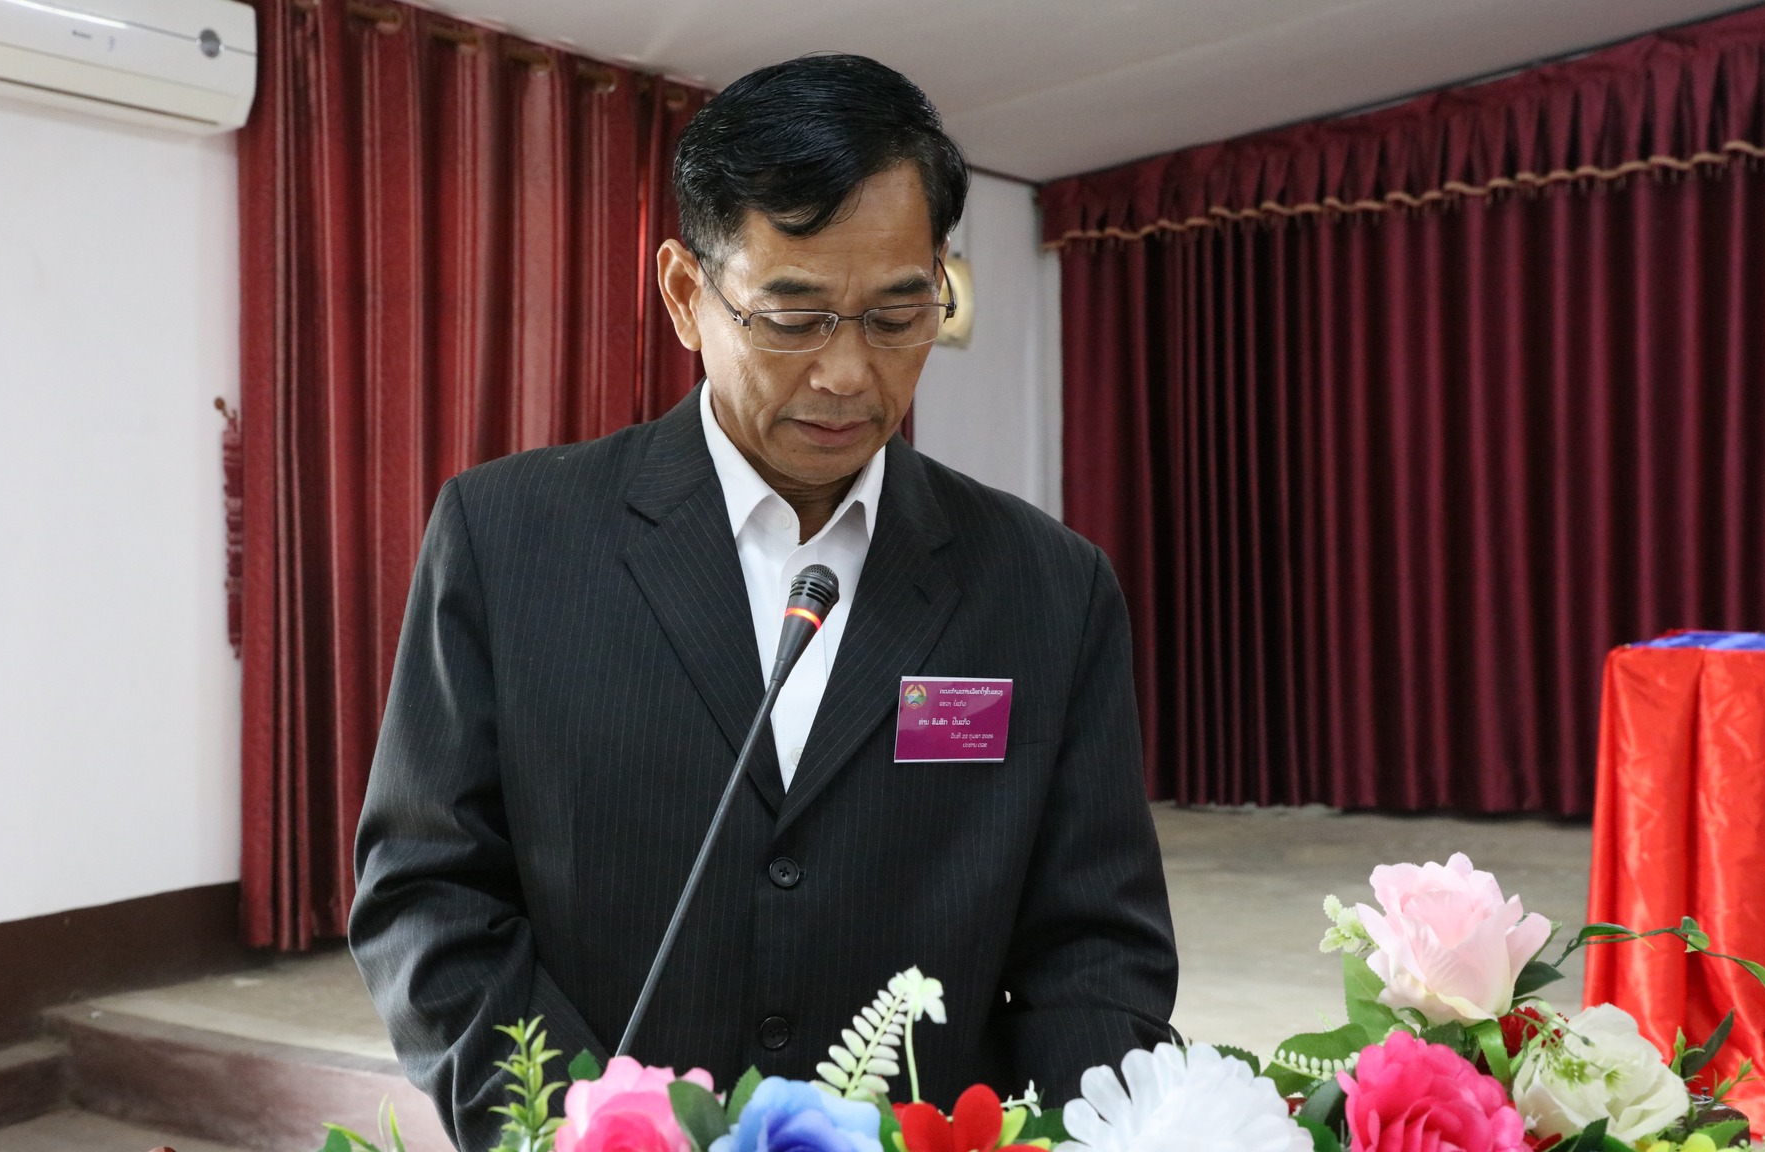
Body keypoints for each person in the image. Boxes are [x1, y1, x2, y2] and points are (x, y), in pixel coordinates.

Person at [349, 53, 1177, 1151]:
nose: (847, 374)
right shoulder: (509, 540)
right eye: (793, 317)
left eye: (897, 314)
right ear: (685, 296)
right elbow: (428, 897)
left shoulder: (1047, 587)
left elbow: (1096, 952)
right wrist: (577, 1134)